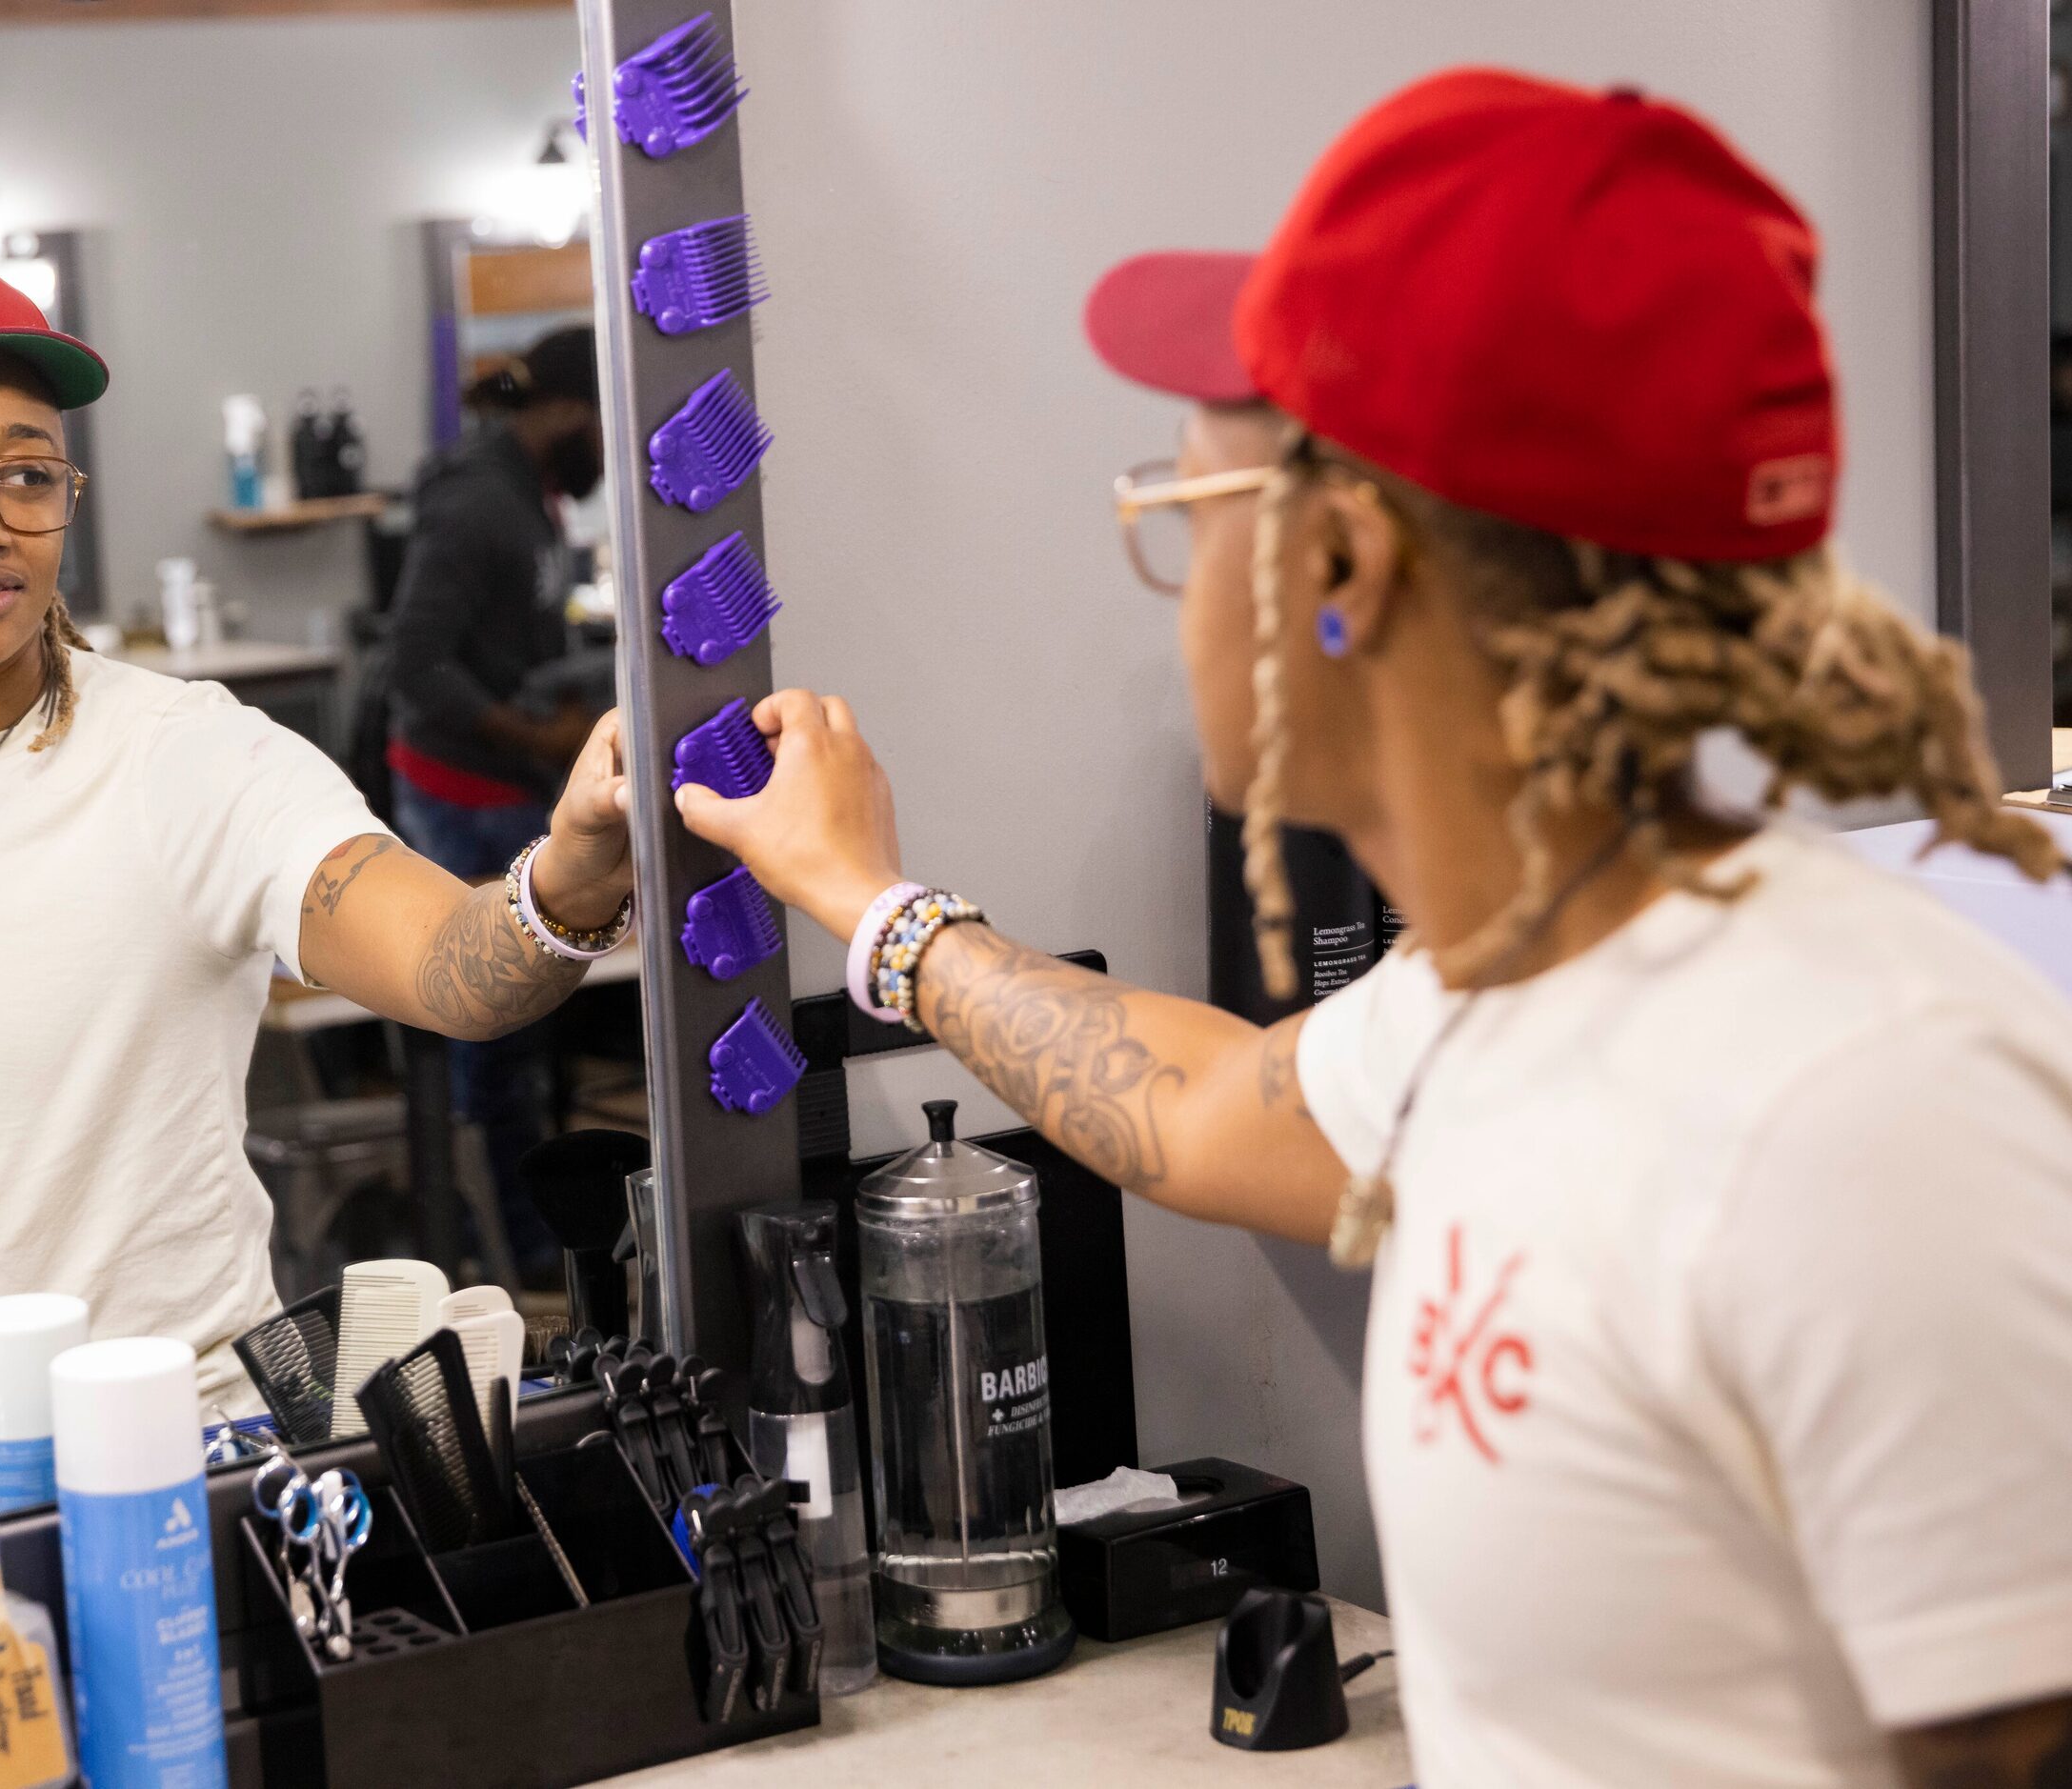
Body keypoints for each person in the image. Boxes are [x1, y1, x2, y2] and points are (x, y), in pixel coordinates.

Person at [678, 70, 2072, 1786]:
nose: (1175, 585)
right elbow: (1195, 1108)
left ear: (1339, 565)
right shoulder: (1488, 1003)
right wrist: (875, 908)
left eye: (1182, 519)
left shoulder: (1857, 1108)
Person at [0, 250, 635, 1561]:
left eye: (24, 470)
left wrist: (567, 880)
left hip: (145, 1481)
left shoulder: (185, 757)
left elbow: (451, 965)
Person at [382, 327, 611, 1277]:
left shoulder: (530, 497)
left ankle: (531, 1257)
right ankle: (507, 1270)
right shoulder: (480, 505)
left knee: (521, 1045)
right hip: (456, 800)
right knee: (488, 1043)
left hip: (505, 793)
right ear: (564, 410)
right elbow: (415, 663)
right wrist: (537, 740)